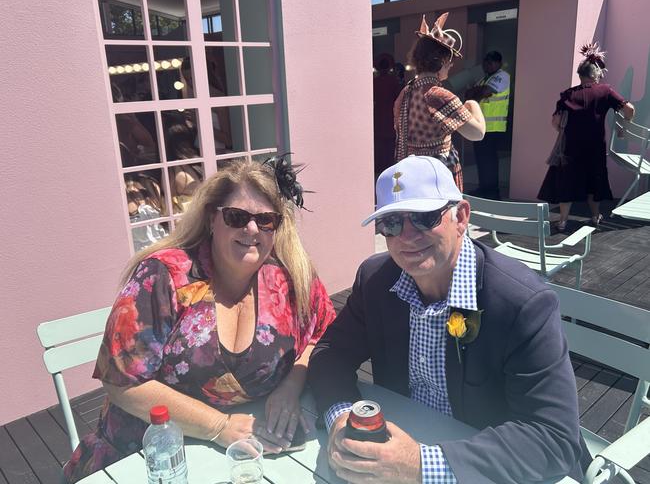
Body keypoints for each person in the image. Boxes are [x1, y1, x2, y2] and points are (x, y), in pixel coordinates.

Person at [308, 155, 589, 483]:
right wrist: (342, 417)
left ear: (461, 217)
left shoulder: (522, 304)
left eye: (425, 217)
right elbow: (330, 353)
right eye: (392, 223)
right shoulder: (376, 280)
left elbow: (553, 438)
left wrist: (421, 465)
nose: (407, 236)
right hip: (399, 446)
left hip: (486, 467)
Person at [63, 158, 337, 482]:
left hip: (243, 454)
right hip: (146, 455)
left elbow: (325, 331)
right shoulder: (164, 277)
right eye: (237, 217)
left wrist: (291, 386)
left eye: (266, 220)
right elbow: (120, 381)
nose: (251, 229)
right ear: (212, 219)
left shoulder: (288, 278)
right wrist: (218, 426)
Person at [538, 42, 635, 232]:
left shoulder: (567, 94)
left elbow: (555, 122)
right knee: (594, 181)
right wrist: (625, 124)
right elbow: (629, 109)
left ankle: (563, 221)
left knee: (567, 182)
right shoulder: (605, 91)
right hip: (595, 146)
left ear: (580, 75)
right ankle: (594, 217)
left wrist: (565, 132)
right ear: (595, 74)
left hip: (570, 147)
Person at [394, 13, 485, 192]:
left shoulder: (405, 93)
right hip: (438, 175)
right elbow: (477, 133)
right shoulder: (438, 95)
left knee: (417, 219)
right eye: (450, 61)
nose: (451, 66)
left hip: (410, 170)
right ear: (442, 61)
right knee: (442, 219)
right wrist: (473, 103)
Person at [466, 51, 511, 199]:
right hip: (481, 127)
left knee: (490, 161)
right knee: (481, 159)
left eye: (490, 62)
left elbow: (484, 92)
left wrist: (476, 92)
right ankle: (484, 188)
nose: (487, 65)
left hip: (493, 128)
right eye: (486, 62)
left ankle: (492, 192)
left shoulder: (502, 76)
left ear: (498, 63)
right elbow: (469, 94)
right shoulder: (484, 78)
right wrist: (476, 92)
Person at [374, 53, 401, 177]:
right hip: (390, 117)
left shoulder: (374, 82)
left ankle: (379, 170)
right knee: (390, 146)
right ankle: (389, 170)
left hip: (378, 117)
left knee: (379, 146)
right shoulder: (393, 81)